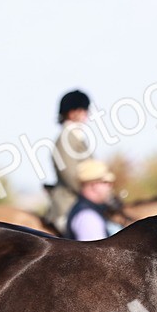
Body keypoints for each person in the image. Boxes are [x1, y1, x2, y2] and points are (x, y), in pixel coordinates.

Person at [46, 89, 95, 235]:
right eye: (84, 110)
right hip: (68, 206)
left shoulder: (76, 137)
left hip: (83, 203)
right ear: (73, 112)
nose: (87, 115)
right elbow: (71, 176)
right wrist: (95, 195)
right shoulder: (66, 139)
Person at [66, 159, 117, 241]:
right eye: (105, 182)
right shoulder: (88, 217)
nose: (110, 186)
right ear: (94, 185)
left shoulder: (89, 211)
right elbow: (98, 253)